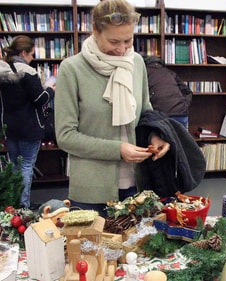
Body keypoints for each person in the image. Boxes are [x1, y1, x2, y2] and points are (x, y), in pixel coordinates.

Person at [54, 0, 169, 215]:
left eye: (128, 40)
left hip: (138, 186)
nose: (122, 49)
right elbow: (65, 136)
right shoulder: (72, 69)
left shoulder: (136, 62)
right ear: (96, 31)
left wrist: (156, 135)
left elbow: (146, 111)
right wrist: (117, 149)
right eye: (114, 41)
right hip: (92, 191)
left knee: (137, 248)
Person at [0, 35, 55, 210]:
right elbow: (39, 99)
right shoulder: (28, 72)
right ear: (23, 53)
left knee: (15, 165)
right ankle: (23, 205)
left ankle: (15, 203)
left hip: (8, 127)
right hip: (29, 127)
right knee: (26, 165)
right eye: (31, 55)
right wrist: (51, 90)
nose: (32, 59)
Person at [143, 56, 192, 128]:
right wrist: (184, 104)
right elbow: (187, 92)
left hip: (160, 114)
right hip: (181, 111)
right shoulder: (169, 72)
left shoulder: (145, 72)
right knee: (182, 139)